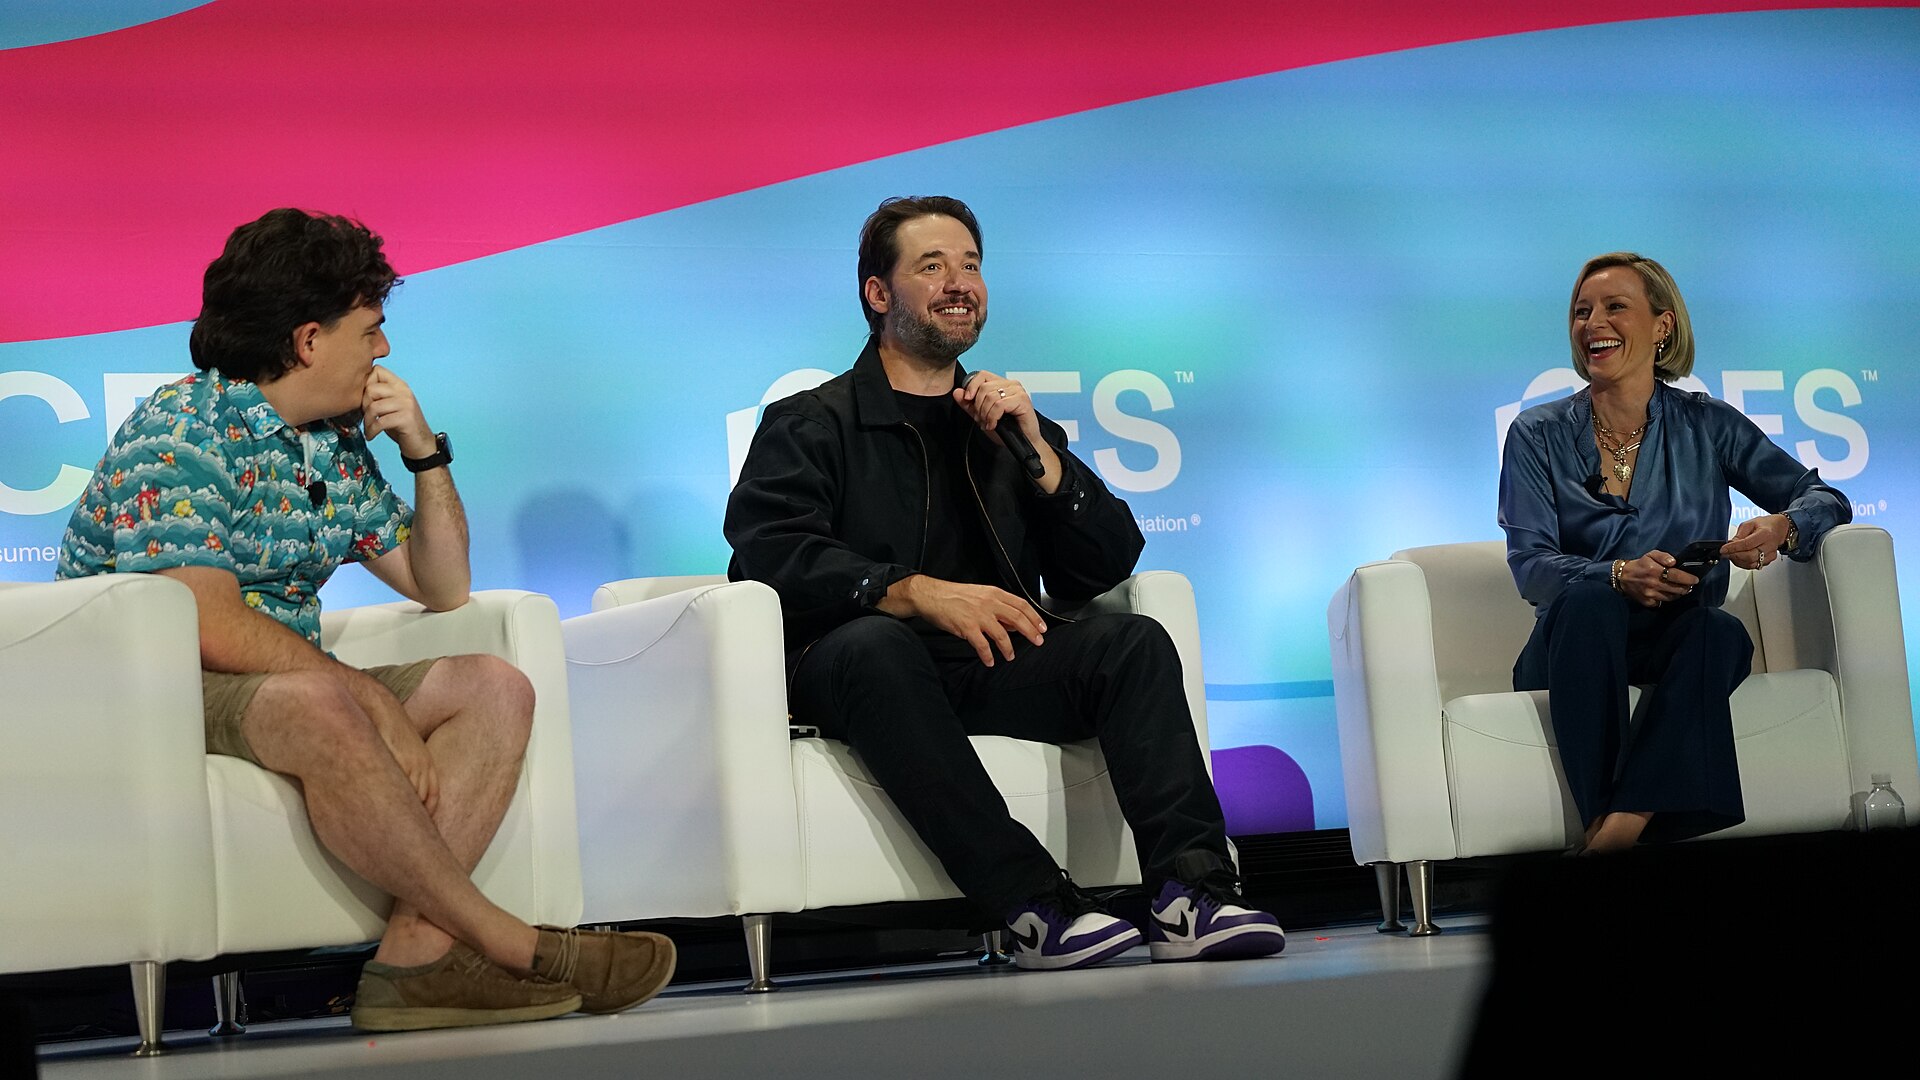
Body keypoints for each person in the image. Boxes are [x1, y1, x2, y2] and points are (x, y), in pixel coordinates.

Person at [57, 208, 674, 1031]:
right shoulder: (180, 430)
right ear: (310, 339)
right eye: (371, 329)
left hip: (270, 684)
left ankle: (415, 960)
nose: (383, 351)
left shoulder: (328, 443)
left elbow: (441, 583)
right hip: (152, 691)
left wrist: (423, 451)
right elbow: (202, 620)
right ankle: (512, 944)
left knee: (493, 685)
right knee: (323, 700)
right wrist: (370, 699)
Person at [724, 195, 1285, 969]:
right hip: (853, 666)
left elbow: (1104, 561)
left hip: (983, 664)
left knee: (1131, 644)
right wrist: (914, 590)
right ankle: (1034, 909)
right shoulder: (811, 423)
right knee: (878, 647)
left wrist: (1041, 454)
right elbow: (770, 550)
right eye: (932, 266)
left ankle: (1192, 893)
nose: (959, 282)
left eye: (971, 265)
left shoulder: (1005, 426)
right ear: (877, 293)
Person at [1498, 252, 1851, 853]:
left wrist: (1783, 527)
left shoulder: (1707, 425)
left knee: (1720, 632)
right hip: (1573, 646)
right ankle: (1617, 825)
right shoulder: (1537, 433)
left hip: (1675, 641)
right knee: (1591, 605)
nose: (1592, 324)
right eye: (1582, 312)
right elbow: (1530, 564)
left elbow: (1822, 495)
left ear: (1662, 326)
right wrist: (1615, 574)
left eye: (1614, 307)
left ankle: (1617, 831)